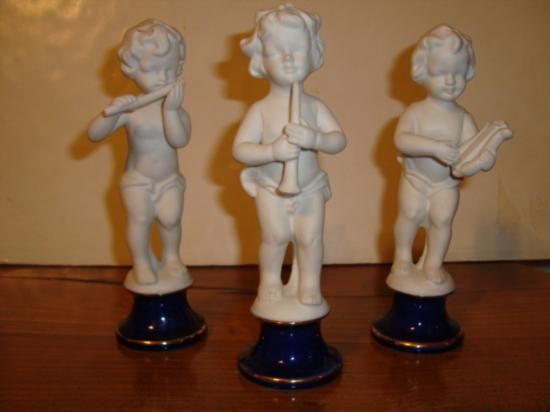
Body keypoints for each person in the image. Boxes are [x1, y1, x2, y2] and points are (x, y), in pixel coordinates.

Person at [233, 4, 346, 308]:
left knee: (310, 238)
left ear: (313, 54)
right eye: (277, 51)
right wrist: (272, 151)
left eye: (297, 49)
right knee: (275, 237)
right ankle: (270, 280)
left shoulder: (314, 106)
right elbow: (240, 149)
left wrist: (315, 139)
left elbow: (338, 140)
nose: (288, 57)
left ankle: (309, 284)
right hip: (272, 188)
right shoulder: (260, 109)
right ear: (260, 60)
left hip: (309, 186)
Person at [89, 19, 191, 291]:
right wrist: (110, 113)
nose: (162, 77)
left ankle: (171, 258)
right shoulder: (132, 110)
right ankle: (142, 261)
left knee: (171, 220)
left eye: (169, 69)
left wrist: (171, 111)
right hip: (137, 181)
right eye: (151, 70)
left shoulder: (178, 112)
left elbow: (179, 140)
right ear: (132, 70)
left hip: (169, 180)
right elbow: (94, 134)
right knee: (140, 221)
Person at [391, 25, 478, 285]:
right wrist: (435, 147)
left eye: (458, 73)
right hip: (415, 179)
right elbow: (401, 139)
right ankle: (402, 256)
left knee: (442, 220)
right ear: (422, 71)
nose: (450, 81)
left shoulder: (462, 118)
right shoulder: (415, 111)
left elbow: (472, 149)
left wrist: (478, 159)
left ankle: (433, 263)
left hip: (446, 184)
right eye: (440, 72)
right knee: (409, 215)